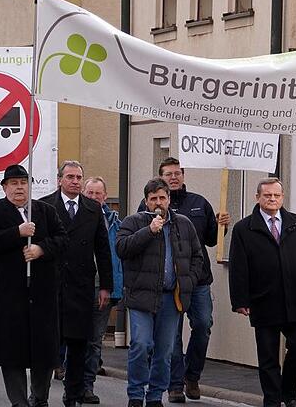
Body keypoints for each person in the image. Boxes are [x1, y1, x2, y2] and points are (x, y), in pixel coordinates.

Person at [138, 157, 228, 403]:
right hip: (166, 284)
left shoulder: (200, 203)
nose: (174, 177)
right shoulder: (147, 207)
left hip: (197, 281)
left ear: (183, 176)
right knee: (172, 336)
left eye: (178, 173)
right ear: (160, 178)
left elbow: (211, 239)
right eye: (169, 174)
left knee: (202, 325)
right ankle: (175, 384)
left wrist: (222, 226)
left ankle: (193, 375)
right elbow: (138, 239)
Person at [0, 164, 68, 407]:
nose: (19, 187)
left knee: (43, 351)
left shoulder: (45, 211)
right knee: (12, 352)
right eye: (14, 183)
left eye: (23, 182)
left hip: (41, 293)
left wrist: (41, 249)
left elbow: (61, 239)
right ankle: (18, 401)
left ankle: (40, 397)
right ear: (5, 187)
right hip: (8, 294)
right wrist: (17, 232)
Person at [228, 177, 296, 407]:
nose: (272, 199)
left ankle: (288, 392)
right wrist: (240, 299)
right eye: (267, 195)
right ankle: (272, 399)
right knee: (268, 355)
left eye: (276, 195)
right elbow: (239, 267)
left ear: (282, 197)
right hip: (263, 298)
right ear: (257, 197)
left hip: (295, 297)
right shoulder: (244, 228)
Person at [116, 178, 204, 407]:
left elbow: (197, 256)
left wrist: (189, 281)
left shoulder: (183, 224)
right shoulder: (133, 222)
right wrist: (149, 231)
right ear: (146, 201)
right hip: (141, 296)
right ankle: (135, 395)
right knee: (141, 345)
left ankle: (155, 396)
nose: (158, 202)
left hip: (170, 297)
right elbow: (122, 248)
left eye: (162, 198)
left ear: (169, 199)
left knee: (164, 352)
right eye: (153, 198)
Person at [41, 161, 113, 407]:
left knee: (78, 343)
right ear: (59, 179)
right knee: (48, 343)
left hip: (81, 286)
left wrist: (105, 285)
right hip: (51, 284)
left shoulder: (93, 209)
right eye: (70, 176)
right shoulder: (44, 205)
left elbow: (103, 250)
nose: (75, 181)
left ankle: (73, 395)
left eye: (78, 177)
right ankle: (39, 394)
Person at [82, 177, 124, 404]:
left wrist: (113, 287)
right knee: (75, 336)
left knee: (95, 340)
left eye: (98, 193)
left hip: (103, 289)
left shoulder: (115, 222)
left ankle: (87, 385)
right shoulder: (76, 217)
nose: (94, 197)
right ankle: (73, 379)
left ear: (105, 196)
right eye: (90, 193)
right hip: (78, 288)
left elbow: (117, 257)